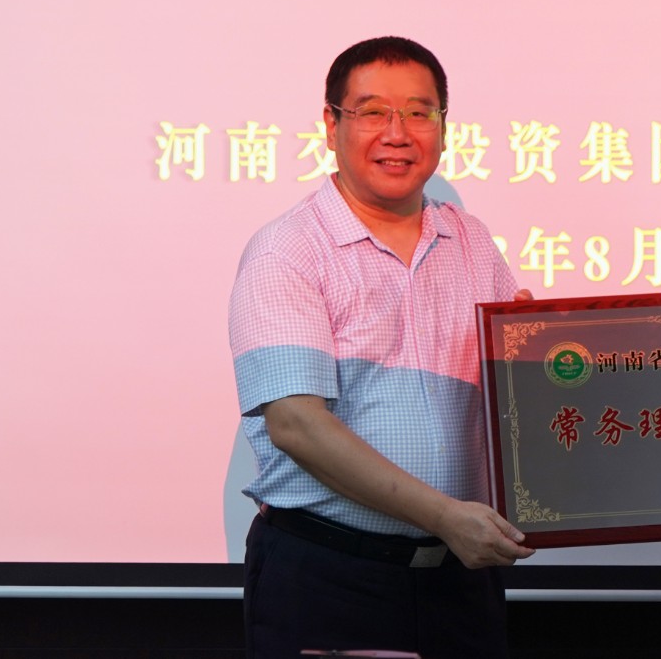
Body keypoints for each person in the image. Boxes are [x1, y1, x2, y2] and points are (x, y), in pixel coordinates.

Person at [229, 35, 534, 659]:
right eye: (372, 112)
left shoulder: (472, 243)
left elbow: (521, 394)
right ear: (331, 124)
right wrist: (444, 516)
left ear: (443, 127)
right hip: (331, 577)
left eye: (419, 112)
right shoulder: (288, 249)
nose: (398, 133)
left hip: (460, 581)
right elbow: (296, 425)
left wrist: (538, 359)